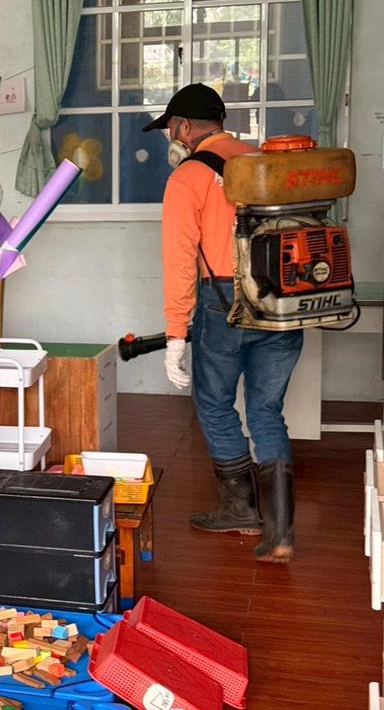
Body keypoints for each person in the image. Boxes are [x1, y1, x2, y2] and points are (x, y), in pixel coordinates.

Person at [144, 84, 304, 564]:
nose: (170, 136)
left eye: (171, 128)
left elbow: (179, 262)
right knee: (266, 410)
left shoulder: (189, 176)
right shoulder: (264, 163)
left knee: (214, 403)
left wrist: (176, 335)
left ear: (184, 127)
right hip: (282, 299)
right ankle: (280, 533)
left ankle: (239, 509)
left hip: (224, 302)